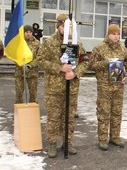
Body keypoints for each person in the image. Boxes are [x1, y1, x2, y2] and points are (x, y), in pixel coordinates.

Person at [37, 14, 89, 158]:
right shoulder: (49, 43)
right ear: (58, 26)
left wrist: (76, 73)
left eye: (69, 27)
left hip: (71, 88)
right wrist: (59, 68)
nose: (67, 30)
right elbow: (40, 60)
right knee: (54, 118)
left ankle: (67, 142)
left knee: (69, 117)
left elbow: (85, 61)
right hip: (53, 89)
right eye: (63, 26)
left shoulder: (76, 43)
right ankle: (52, 143)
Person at [90, 24, 127, 151]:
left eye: (118, 34)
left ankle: (115, 136)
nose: (116, 36)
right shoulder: (99, 48)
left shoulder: (123, 49)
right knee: (104, 112)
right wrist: (105, 63)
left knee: (117, 112)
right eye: (114, 34)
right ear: (108, 34)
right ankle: (102, 139)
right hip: (104, 86)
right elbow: (91, 65)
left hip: (118, 86)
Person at [15, 25, 40, 103]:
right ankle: (19, 111)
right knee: (19, 93)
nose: (28, 34)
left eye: (30, 32)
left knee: (33, 94)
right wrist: (20, 63)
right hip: (20, 72)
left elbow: (40, 57)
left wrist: (31, 65)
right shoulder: (19, 42)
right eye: (26, 32)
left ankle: (32, 110)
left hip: (32, 72)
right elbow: (14, 55)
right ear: (23, 32)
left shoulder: (37, 43)